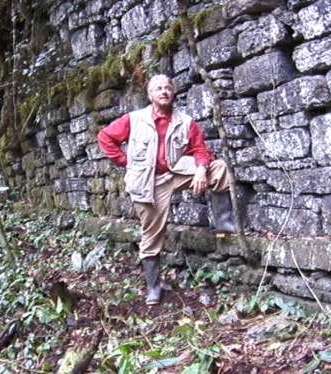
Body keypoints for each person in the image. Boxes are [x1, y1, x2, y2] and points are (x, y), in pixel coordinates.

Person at [97, 74, 235, 305]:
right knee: (151, 234)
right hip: (148, 182)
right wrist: (126, 162)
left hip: (177, 171)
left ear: (173, 93)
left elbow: (200, 149)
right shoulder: (134, 119)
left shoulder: (186, 121)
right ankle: (153, 287)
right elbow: (105, 137)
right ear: (150, 95)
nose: (164, 92)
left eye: (168, 88)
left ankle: (224, 227)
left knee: (218, 168)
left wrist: (201, 169)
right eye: (158, 88)